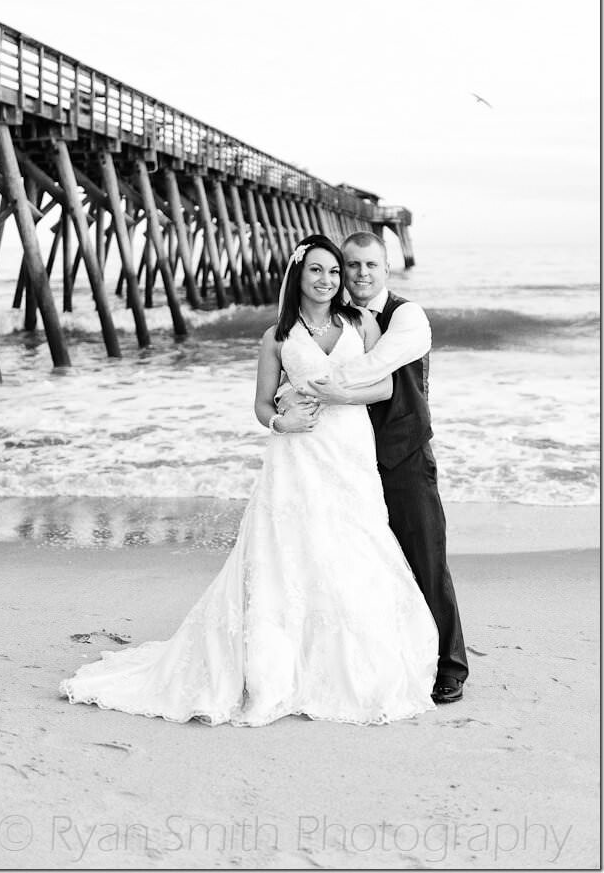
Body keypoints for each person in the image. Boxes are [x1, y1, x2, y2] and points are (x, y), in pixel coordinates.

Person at [59, 234, 439, 727]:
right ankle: (282, 669)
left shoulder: (361, 322)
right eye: (316, 271)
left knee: (352, 543)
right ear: (297, 277)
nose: (327, 280)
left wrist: (336, 397)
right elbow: (261, 405)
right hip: (297, 453)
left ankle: (349, 664)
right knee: (291, 551)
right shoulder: (275, 337)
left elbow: (383, 384)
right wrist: (284, 422)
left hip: (348, 449)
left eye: (333, 272)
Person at [278, 232, 468, 703]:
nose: (360, 274)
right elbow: (294, 359)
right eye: (352, 265)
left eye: (370, 265)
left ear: (387, 269)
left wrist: (321, 385)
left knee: (424, 556)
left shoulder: (406, 316)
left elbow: (376, 367)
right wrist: (288, 395)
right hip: (345, 458)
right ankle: (387, 656)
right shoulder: (334, 319)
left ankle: (450, 664)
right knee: (357, 563)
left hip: (402, 452)